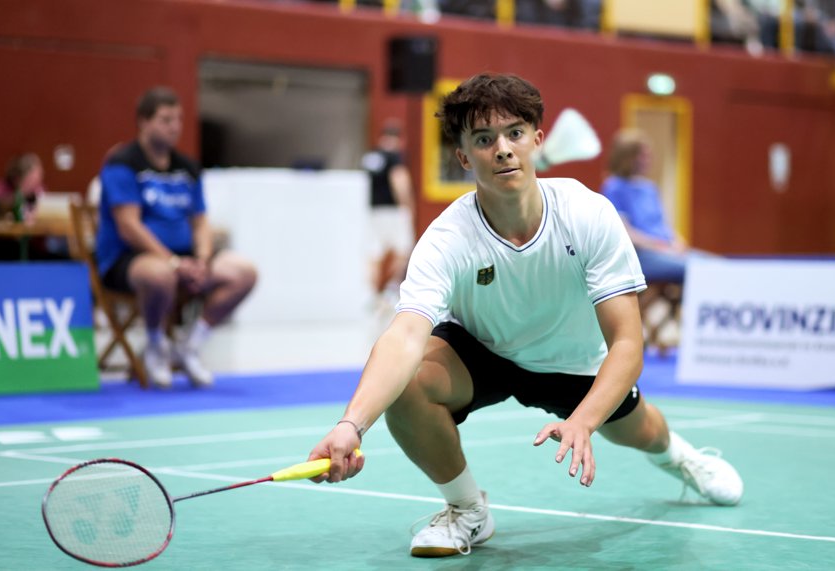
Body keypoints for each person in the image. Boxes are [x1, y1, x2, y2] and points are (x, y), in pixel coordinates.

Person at [306, 73, 743, 558]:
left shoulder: (587, 214)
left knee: (643, 432)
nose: (503, 149)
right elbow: (405, 335)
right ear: (463, 156)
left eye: (514, 133)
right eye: (483, 138)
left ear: (537, 139)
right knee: (408, 384)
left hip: (571, 361)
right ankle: (468, 511)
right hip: (482, 349)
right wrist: (352, 425)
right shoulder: (448, 235)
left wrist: (584, 420)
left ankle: (682, 459)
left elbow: (627, 343)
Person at [96, 86, 257, 389]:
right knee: (161, 276)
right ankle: (156, 346)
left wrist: (202, 260)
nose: (174, 127)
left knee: (243, 272)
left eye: (178, 120)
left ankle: (189, 346)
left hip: (183, 259)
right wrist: (171, 262)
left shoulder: (188, 168)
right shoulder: (123, 163)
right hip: (130, 262)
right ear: (143, 122)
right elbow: (129, 226)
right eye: (165, 120)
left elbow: (200, 222)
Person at [601, 128, 705, 284]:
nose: (649, 160)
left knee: (711, 264)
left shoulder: (650, 188)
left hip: (666, 250)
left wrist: (678, 242)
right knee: (694, 268)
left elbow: (663, 225)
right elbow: (625, 232)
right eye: (643, 156)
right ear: (628, 158)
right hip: (641, 255)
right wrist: (659, 247)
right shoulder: (614, 187)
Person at [361, 119, 415, 304]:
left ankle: (370, 293)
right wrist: (407, 206)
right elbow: (399, 181)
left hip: (373, 212)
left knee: (373, 253)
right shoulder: (394, 156)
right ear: (400, 139)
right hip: (393, 211)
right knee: (402, 251)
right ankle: (391, 290)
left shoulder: (371, 157)